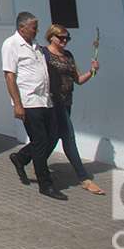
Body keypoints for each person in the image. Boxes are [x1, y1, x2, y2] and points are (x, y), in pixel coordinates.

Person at [3, 11, 65, 200]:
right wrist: (17, 104)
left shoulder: (36, 46)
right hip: (28, 101)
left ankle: (21, 158)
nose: (37, 30)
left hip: (45, 100)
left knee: (52, 136)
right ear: (22, 28)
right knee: (39, 141)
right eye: (33, 27)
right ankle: (45, 184)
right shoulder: (11, 45)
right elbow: (9, 75)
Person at [44, 24, 103, 195]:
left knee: (54, 137)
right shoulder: (44, 54)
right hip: (53, 103)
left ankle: (29, 159)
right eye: (61, 37)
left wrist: (92, 72)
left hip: (67, 101)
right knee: (69, 137)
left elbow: (78, 79)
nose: (64, 41)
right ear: (51, 37)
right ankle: (84, 178)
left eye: (67, 38)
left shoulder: (68, 55)